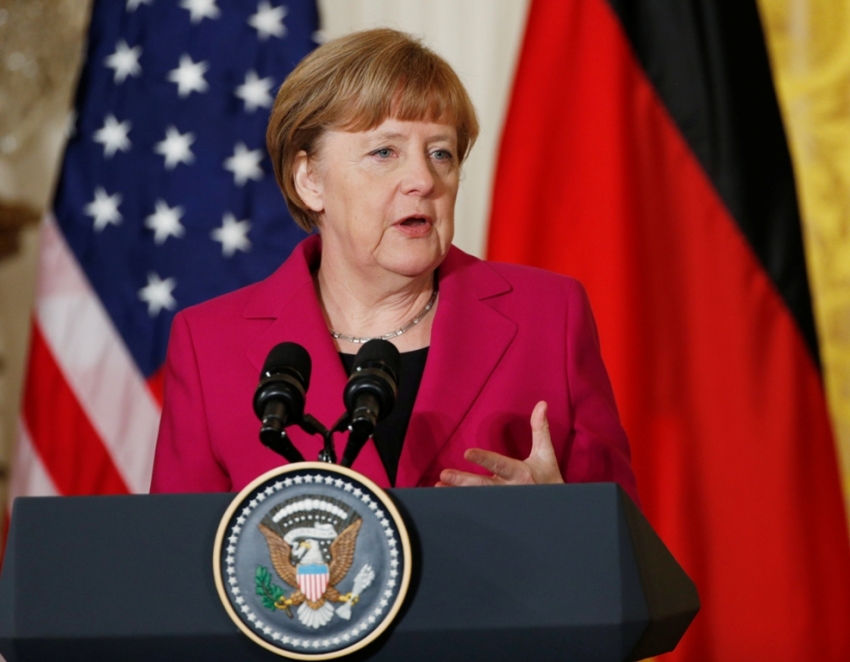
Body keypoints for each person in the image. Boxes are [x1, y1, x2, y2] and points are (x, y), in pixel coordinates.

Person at [149, 28, 638, 504]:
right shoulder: (209, 343)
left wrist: (565, 520)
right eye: (385, 151)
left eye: (441, 153)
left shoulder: (549, 317)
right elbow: (177, 562)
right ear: (309, 180)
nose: (423, 180)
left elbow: (624, 552)